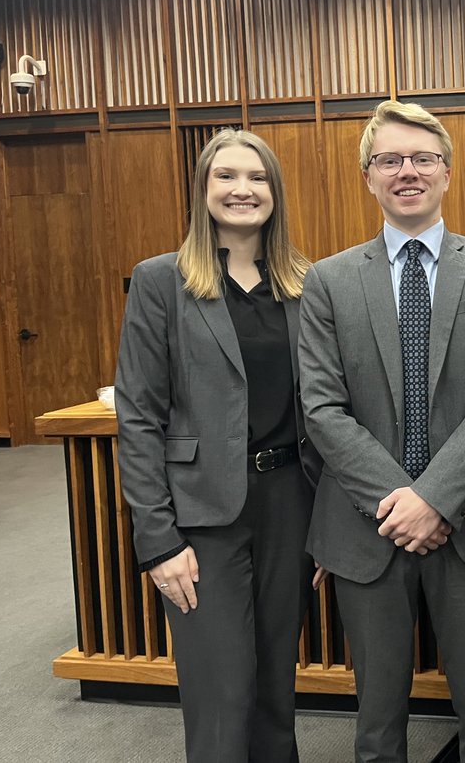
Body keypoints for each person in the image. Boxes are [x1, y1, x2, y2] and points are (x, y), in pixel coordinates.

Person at [298, 100, 465, 763]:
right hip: (366, 525)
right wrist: (402, 503)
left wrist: (433, 498)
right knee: (376, 719)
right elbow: (322, 408)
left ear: (447, 173)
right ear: (368, 177)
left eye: (423, 158)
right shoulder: (328, 281)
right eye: (390, 160)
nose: (407, 171)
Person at [115, 129, 324, 762]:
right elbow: (139, 416)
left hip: (290, 504)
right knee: (222, 692)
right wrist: (157, 541)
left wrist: (331, 525)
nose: (242, 189)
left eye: (257, 177)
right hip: (202, 515)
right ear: (203, 190)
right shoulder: (161, 281)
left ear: (274, 191)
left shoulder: (306, 284)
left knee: (276, 687)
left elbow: (326, 410)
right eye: (225, 176)